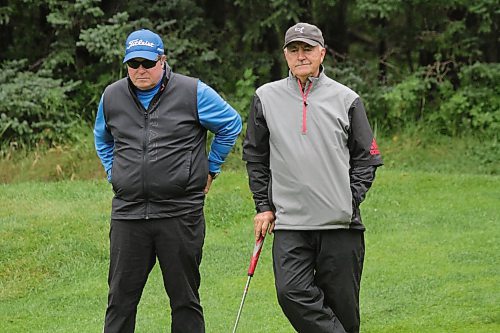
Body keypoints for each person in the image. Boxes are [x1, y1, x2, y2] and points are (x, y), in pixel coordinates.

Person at [94, 28, 242, 333]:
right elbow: (102, 137)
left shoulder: (193, 92)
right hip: (129, 213)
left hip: (180, 212)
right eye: (133, 64)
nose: (140, 70)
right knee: (120, 300)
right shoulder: (112, 96)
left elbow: (231, 123)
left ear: (163, 60)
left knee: (184, 299)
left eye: (147, 63)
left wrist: (211, 168)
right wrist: (114, 173)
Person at [242, 22, 383, 333]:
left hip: (339, 225)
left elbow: (367, 158)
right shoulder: (266, 97)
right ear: (285, 55)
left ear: (322, 53)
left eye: (307, 49)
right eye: (294, 49)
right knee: (290, 292)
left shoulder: (347, 99)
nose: (300, 55)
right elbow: (255, 156)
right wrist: (263, 205)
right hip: (290, 222)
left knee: (343, 310)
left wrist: (348, 199)